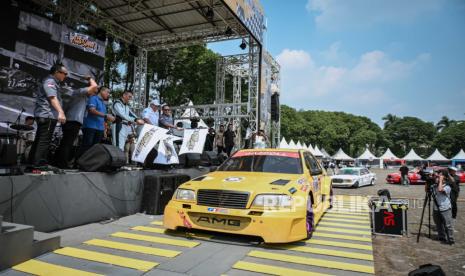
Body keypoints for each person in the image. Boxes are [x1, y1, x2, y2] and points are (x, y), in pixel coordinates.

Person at [29, 63, 70, 166]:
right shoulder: (50, 81)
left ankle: (31, 162)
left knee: (39, 139)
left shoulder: (52, 82)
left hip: (46, 115)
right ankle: (38, 164)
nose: (65, 76)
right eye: (64, 73)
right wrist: (61, 112)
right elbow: (52, 98)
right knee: (44, 141)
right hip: (47, 115)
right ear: (57, 72)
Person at [53, 77, 98, 168]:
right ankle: (62, 163)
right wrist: (91, 78)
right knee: (67, 143)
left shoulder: (81, 96)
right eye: (93, 92)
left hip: (71, 120)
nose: (93, 94)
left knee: (66, 142)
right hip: (72, 120)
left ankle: (57, 161)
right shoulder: (80, 92)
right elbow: (94, 87)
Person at [81, 86, 115, 154]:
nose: (108, 94)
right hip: (90, 126)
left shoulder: (103, 103)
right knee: (86, 146)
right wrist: (106, 115)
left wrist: (104, 130)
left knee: (94, 148)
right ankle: (79, 163)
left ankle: (89, 163)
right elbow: (92, 110)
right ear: (101, 91)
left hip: (100, 129)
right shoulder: (93, 98)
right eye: (107, 92)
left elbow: (103, 118)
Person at [431, 169, 454, 244]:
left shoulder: (447, 186)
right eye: (438, 176)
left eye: (440, 175)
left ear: (444, 178)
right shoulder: (434, 186)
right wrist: (428, 182)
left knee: (448, 225)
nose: (438, 177)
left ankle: (450, 239)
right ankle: (441, 237)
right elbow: (426, 190)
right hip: (436, 208)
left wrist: (440, 180)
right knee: (438, 224)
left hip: (445, 208)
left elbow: (440, 190)